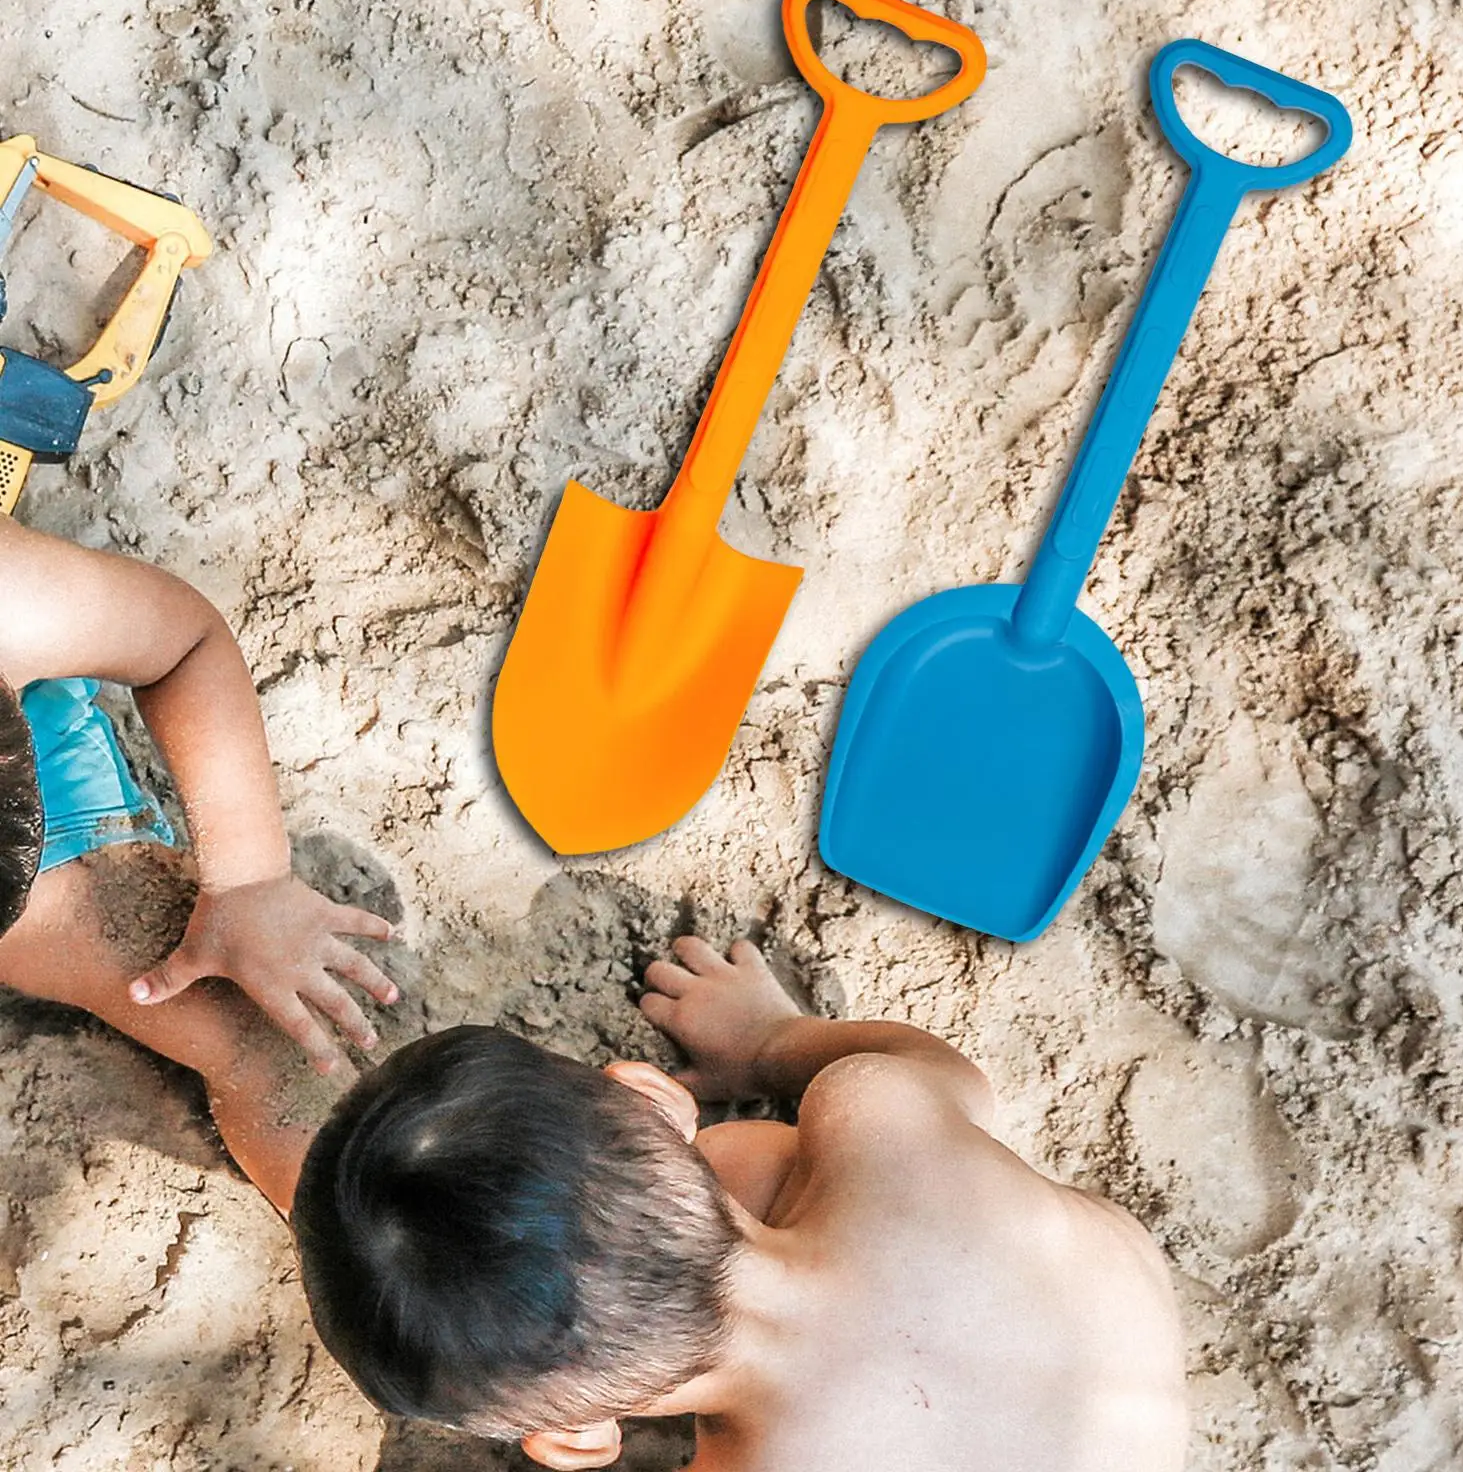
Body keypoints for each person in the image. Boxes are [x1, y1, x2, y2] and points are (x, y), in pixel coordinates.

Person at [292, 935, 1188, 1470]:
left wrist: (589, 1414)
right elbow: (960, 1082)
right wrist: (773, 1042)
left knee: (749, 1162)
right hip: (1123, 1392)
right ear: (649, 1099)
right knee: (752, 1160)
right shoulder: (875, 1106)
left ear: (567, 1429)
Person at [0, 513, 400, 1210]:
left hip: (41, 808)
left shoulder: (13, 603)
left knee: (273, 1049)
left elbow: (186, 643)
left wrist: (249, 880)